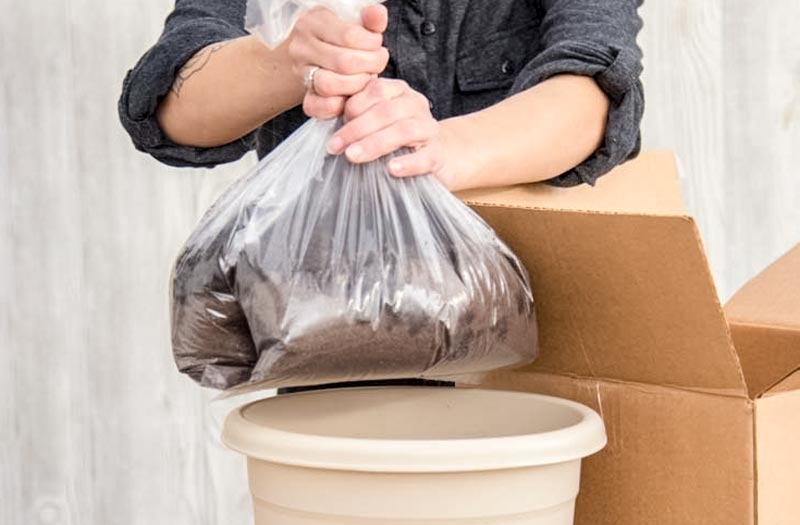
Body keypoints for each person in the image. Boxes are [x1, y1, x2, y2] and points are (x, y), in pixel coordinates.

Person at [119, 0, 643, 394]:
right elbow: (169, 108)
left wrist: (438, 150)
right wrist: (284, 62)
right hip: (327, 365)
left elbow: (593, 91)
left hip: (538, 364)